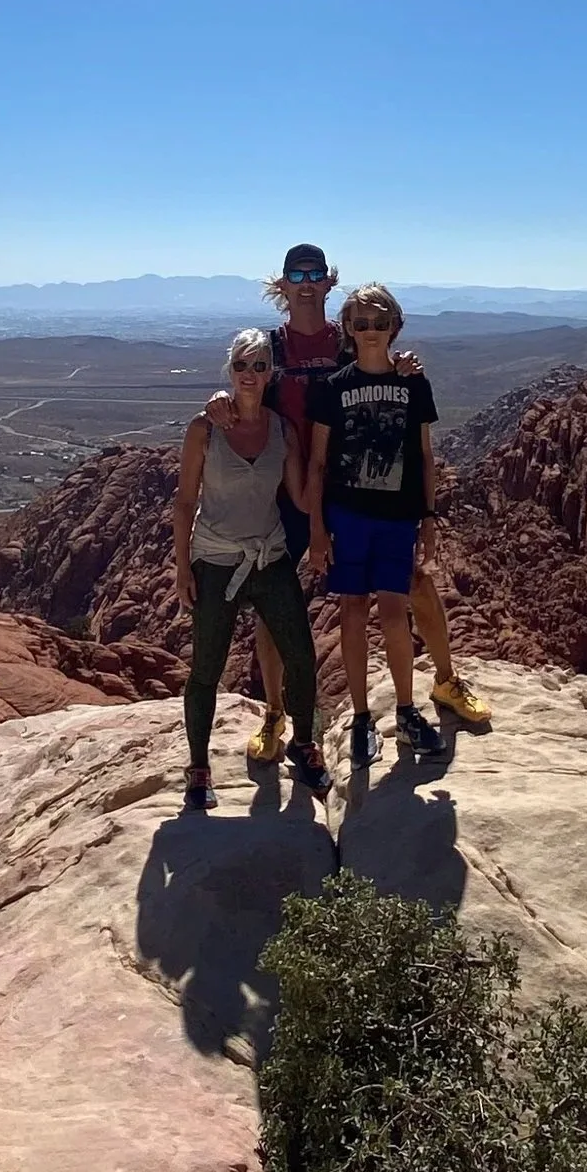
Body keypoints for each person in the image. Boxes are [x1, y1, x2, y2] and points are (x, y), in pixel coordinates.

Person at [230, 243, 492, 765]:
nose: (306, 282)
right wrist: (218, 403)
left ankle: (444, 681)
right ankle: (275, 715)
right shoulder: (271, 347)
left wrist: (407, 367)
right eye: (295, 274)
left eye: (315, 274)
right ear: (281, 285)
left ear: (329, 283)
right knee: (276, 602)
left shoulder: (348, 340)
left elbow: (382, 374)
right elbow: (243, 389)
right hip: (288, 492)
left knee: (413, 582)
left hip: (354, 492)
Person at [173, 331, 332, 814]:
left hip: (270, 556)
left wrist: (333, 508)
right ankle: (198, 767)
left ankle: (303, 742)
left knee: (301, 656)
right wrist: (182, 566)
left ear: (270, 374)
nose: (251, 373)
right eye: (243, 364)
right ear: (230, 369)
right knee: (206, 669)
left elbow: (303, 497)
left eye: (261, 365)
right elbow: (184, 501)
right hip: (216, 560)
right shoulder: (205, 428)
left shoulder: (281, 429)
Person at [307, 284, 447, 770]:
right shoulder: (333, 388)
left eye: (379, 322)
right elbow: (318, 462)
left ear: (395, 327)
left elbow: (426, 455)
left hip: (398, 516)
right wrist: (317, 527)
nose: (370, 331)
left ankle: (406, 711)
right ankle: (363, 718)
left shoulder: (415, 384)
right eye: (360, 323)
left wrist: (429, 517)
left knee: (394, 612)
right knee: (351, 610)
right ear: (347, 328)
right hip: (348, 515)